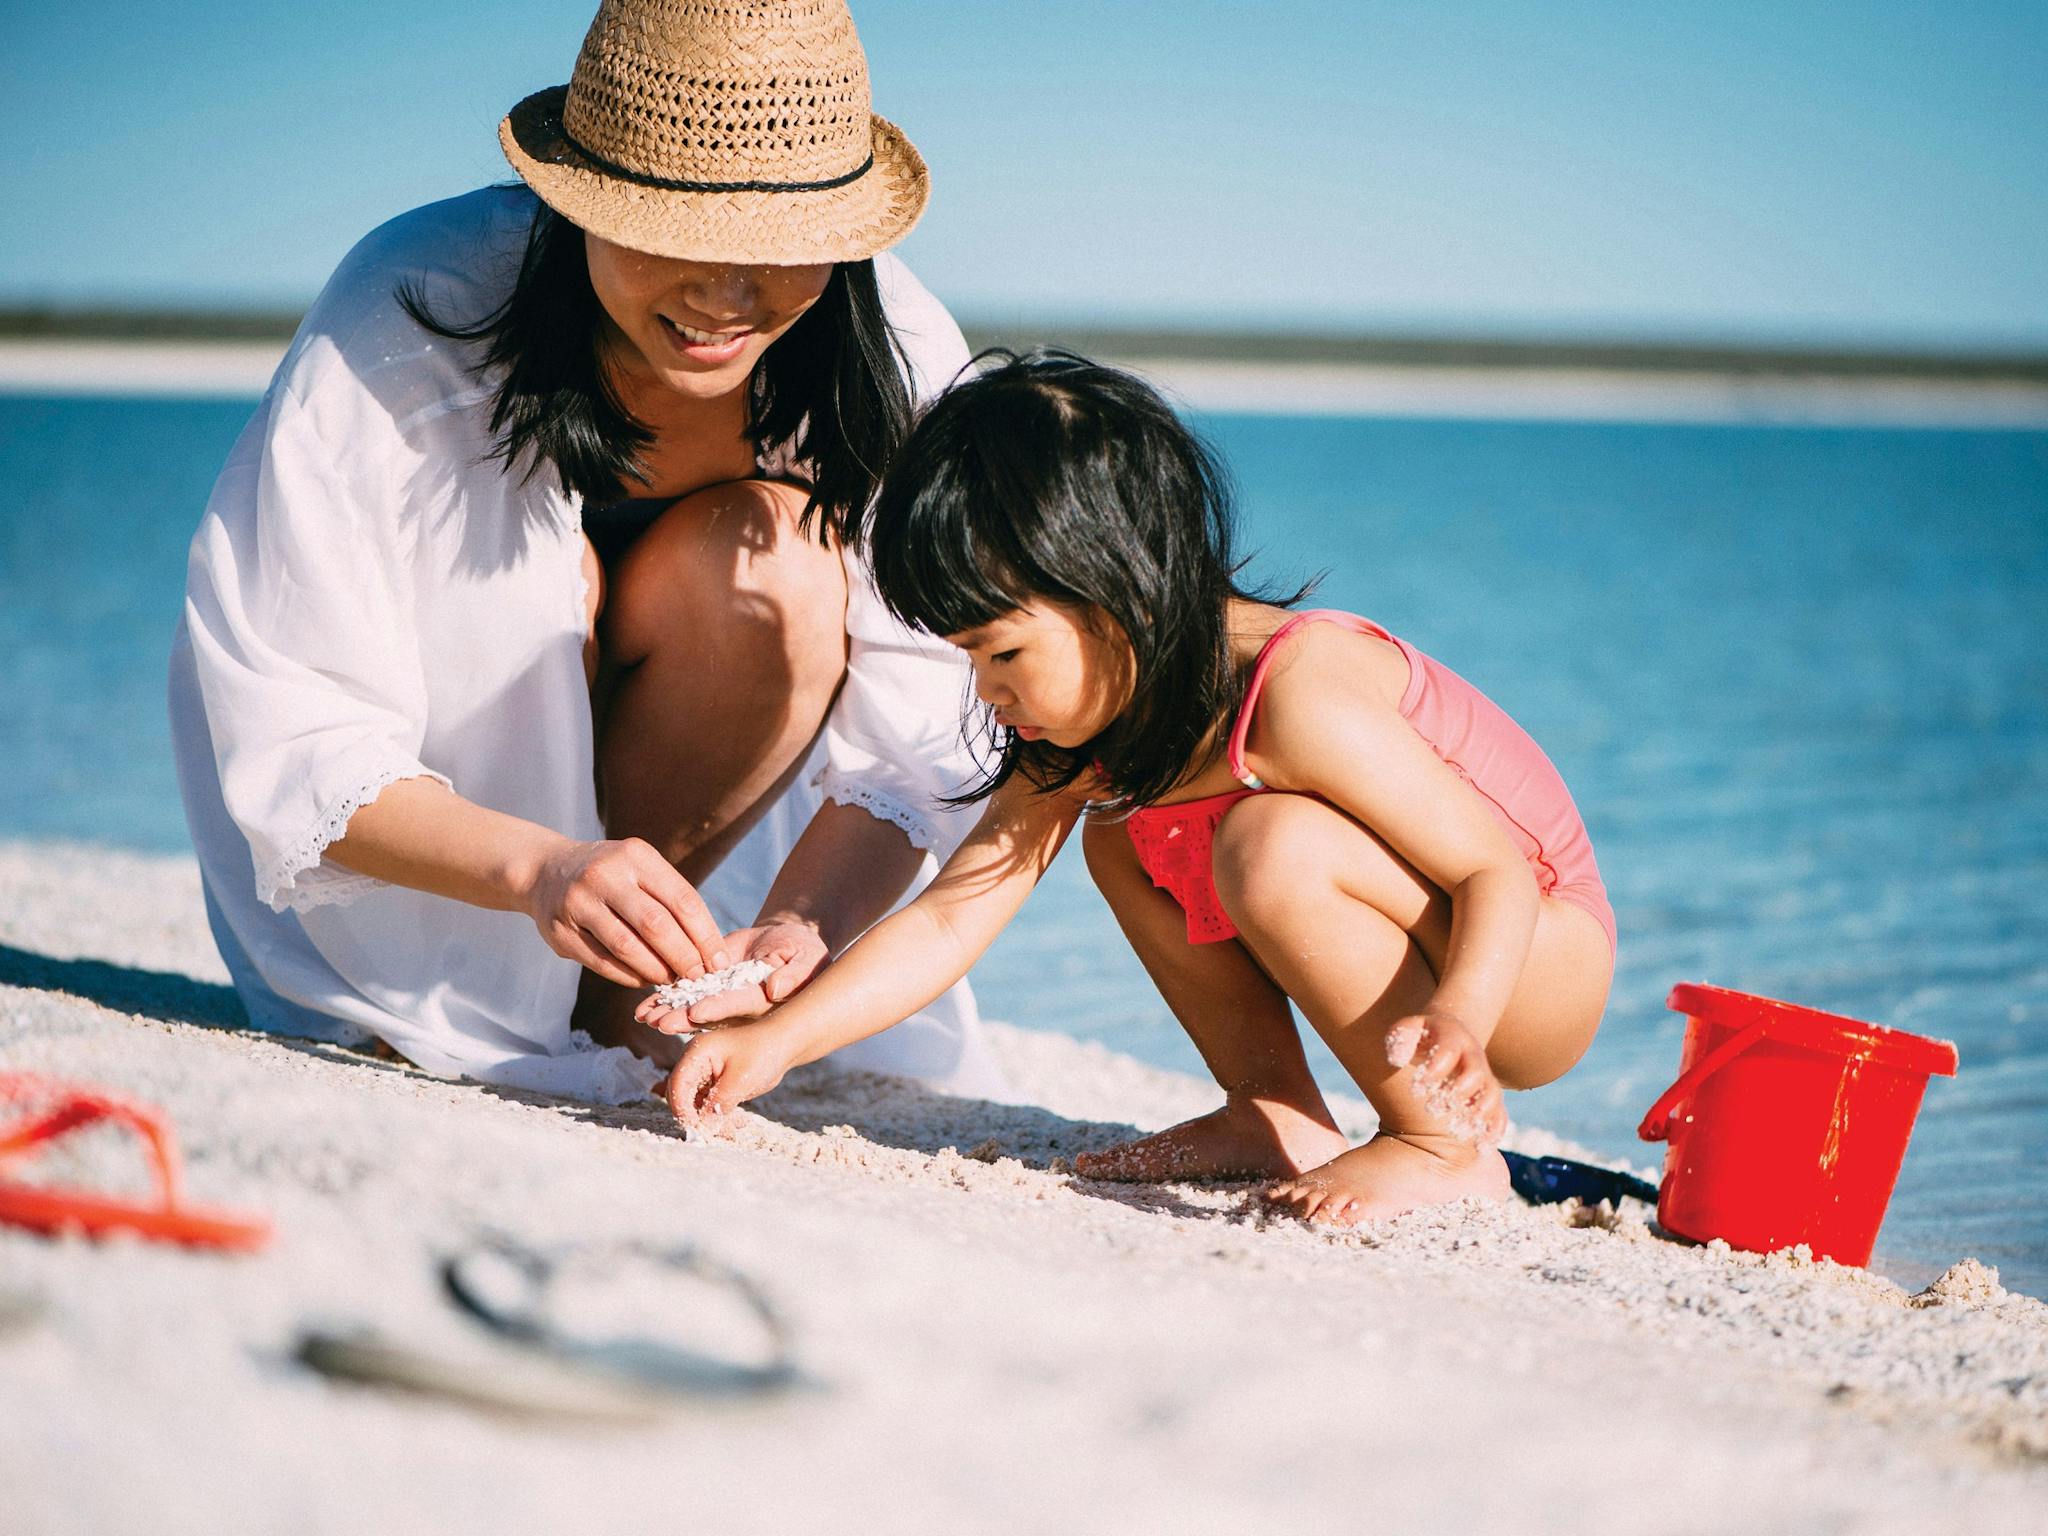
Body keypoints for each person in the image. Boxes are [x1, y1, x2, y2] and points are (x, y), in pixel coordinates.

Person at [168, 0, 1001, 1105]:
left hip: (713, 802)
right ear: (575, 196)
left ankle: (634, 988)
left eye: (778, 250)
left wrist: (806, 924)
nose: (723, 294)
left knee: (779, 566)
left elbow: (931, 701)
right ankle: (497, 979)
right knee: (541, 578)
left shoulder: (888, 348)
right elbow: (289, 718)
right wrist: (539, 870)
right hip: (445, 870)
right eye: (675, 230)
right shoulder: (413, 305)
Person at [644, 353, 1617, 1224]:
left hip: (1529, 959)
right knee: (1128, 828)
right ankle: (1271, 1109)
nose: (988, 692)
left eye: (1004, 653)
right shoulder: (1079, 737)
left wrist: (1461, 1020)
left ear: (1121, 597)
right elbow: (951, 918)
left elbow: (1494, 870)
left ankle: (1440, 1148)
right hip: (1451, 950)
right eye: (968, 660)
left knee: (1270, 846)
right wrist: (777, 1042)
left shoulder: (1297, 691)